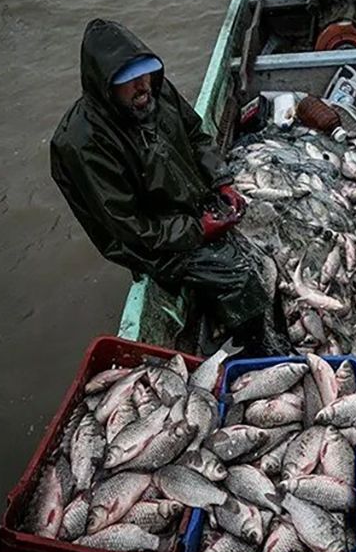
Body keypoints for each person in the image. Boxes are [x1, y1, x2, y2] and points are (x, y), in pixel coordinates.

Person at [51, 19, 267, 348]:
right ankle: (252, 349)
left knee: (258, 254)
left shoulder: (157, 89)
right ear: (106, 87)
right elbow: (128, 226)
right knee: (240, 277)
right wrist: (197, 230)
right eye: (129, 82)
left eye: (145, 74)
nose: (142, 86)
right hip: (147, 242)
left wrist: (221, 181)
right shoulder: (83, 142)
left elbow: (196, 136)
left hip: (188, 205)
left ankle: (227, 314)